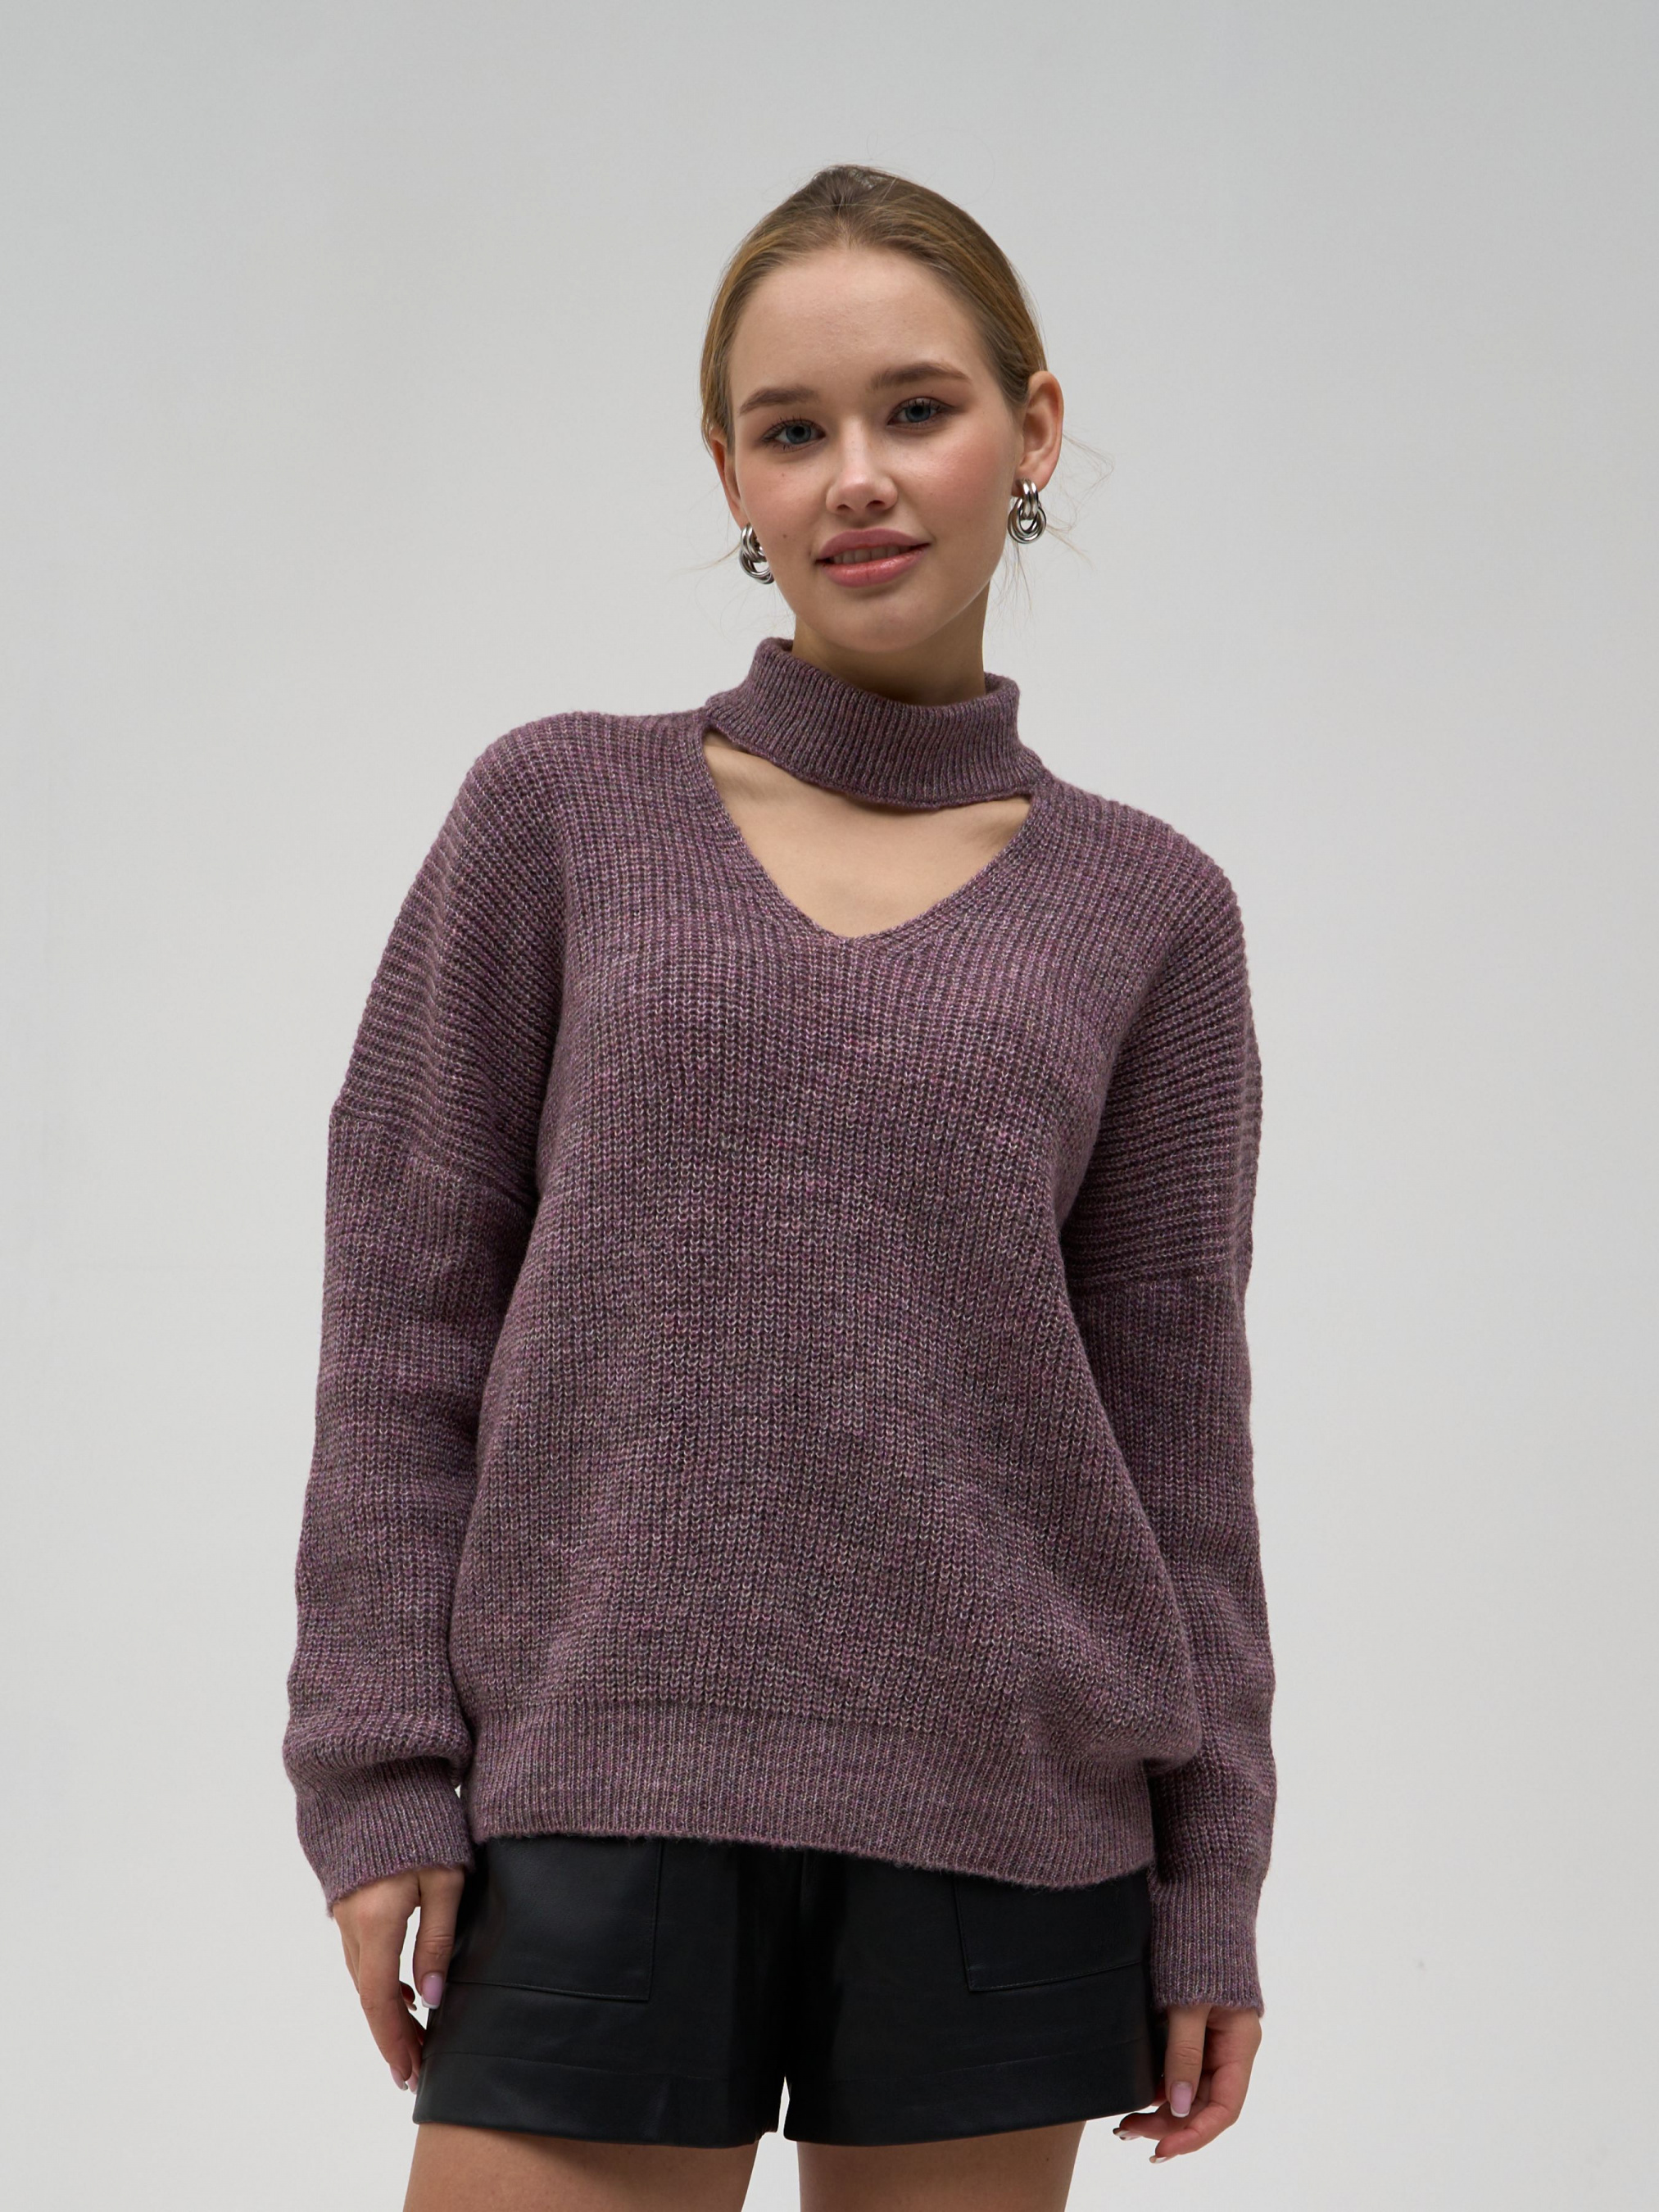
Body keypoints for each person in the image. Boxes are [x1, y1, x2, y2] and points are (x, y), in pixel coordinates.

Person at [283, 164, 1276, 2212]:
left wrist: (1211, 1887)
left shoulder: (1149, 911)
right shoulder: (558, 812)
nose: (858, 478)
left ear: (1031, 429)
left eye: (916, 409)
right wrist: (378, 1774)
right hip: (598, 1781)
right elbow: (403, 1308)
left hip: (1008, 1819)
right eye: (792, 427)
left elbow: (1175, 1430)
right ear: (728, 471)